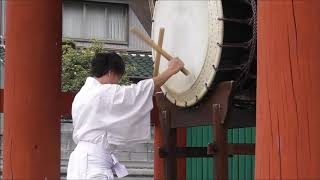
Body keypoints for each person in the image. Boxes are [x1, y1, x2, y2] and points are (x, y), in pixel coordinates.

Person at [67, 52, 184, 179]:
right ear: (111, 73)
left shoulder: (82, 95)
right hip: (92, 164)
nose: (117, 84)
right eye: (118, 78)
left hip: (81, 161)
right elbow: (136, 92)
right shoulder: (103, 92)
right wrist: (171, 70)